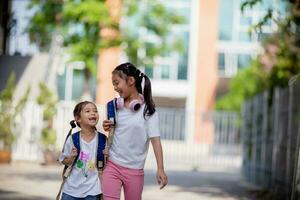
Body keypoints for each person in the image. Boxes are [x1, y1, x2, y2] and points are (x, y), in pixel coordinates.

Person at [102, 62, 168, 200]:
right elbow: (115, 130)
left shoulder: (148, 112)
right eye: (113, 84)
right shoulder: (115, 107)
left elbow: (155, 141)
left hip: (135, 170)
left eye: (117, 83)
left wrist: (160, 168)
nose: (115, 88)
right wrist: (108, 126)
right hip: (112, 165)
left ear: (131, 81)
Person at [58, 101, 105, 200]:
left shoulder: (102, 139)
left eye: (95, 111)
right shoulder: (72, 139)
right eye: (87, 111)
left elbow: (108, 164)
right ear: (78, 118)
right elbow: (63, 160)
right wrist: (71, 158)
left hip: (92, 191)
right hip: (70, 190)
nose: (93, 113)